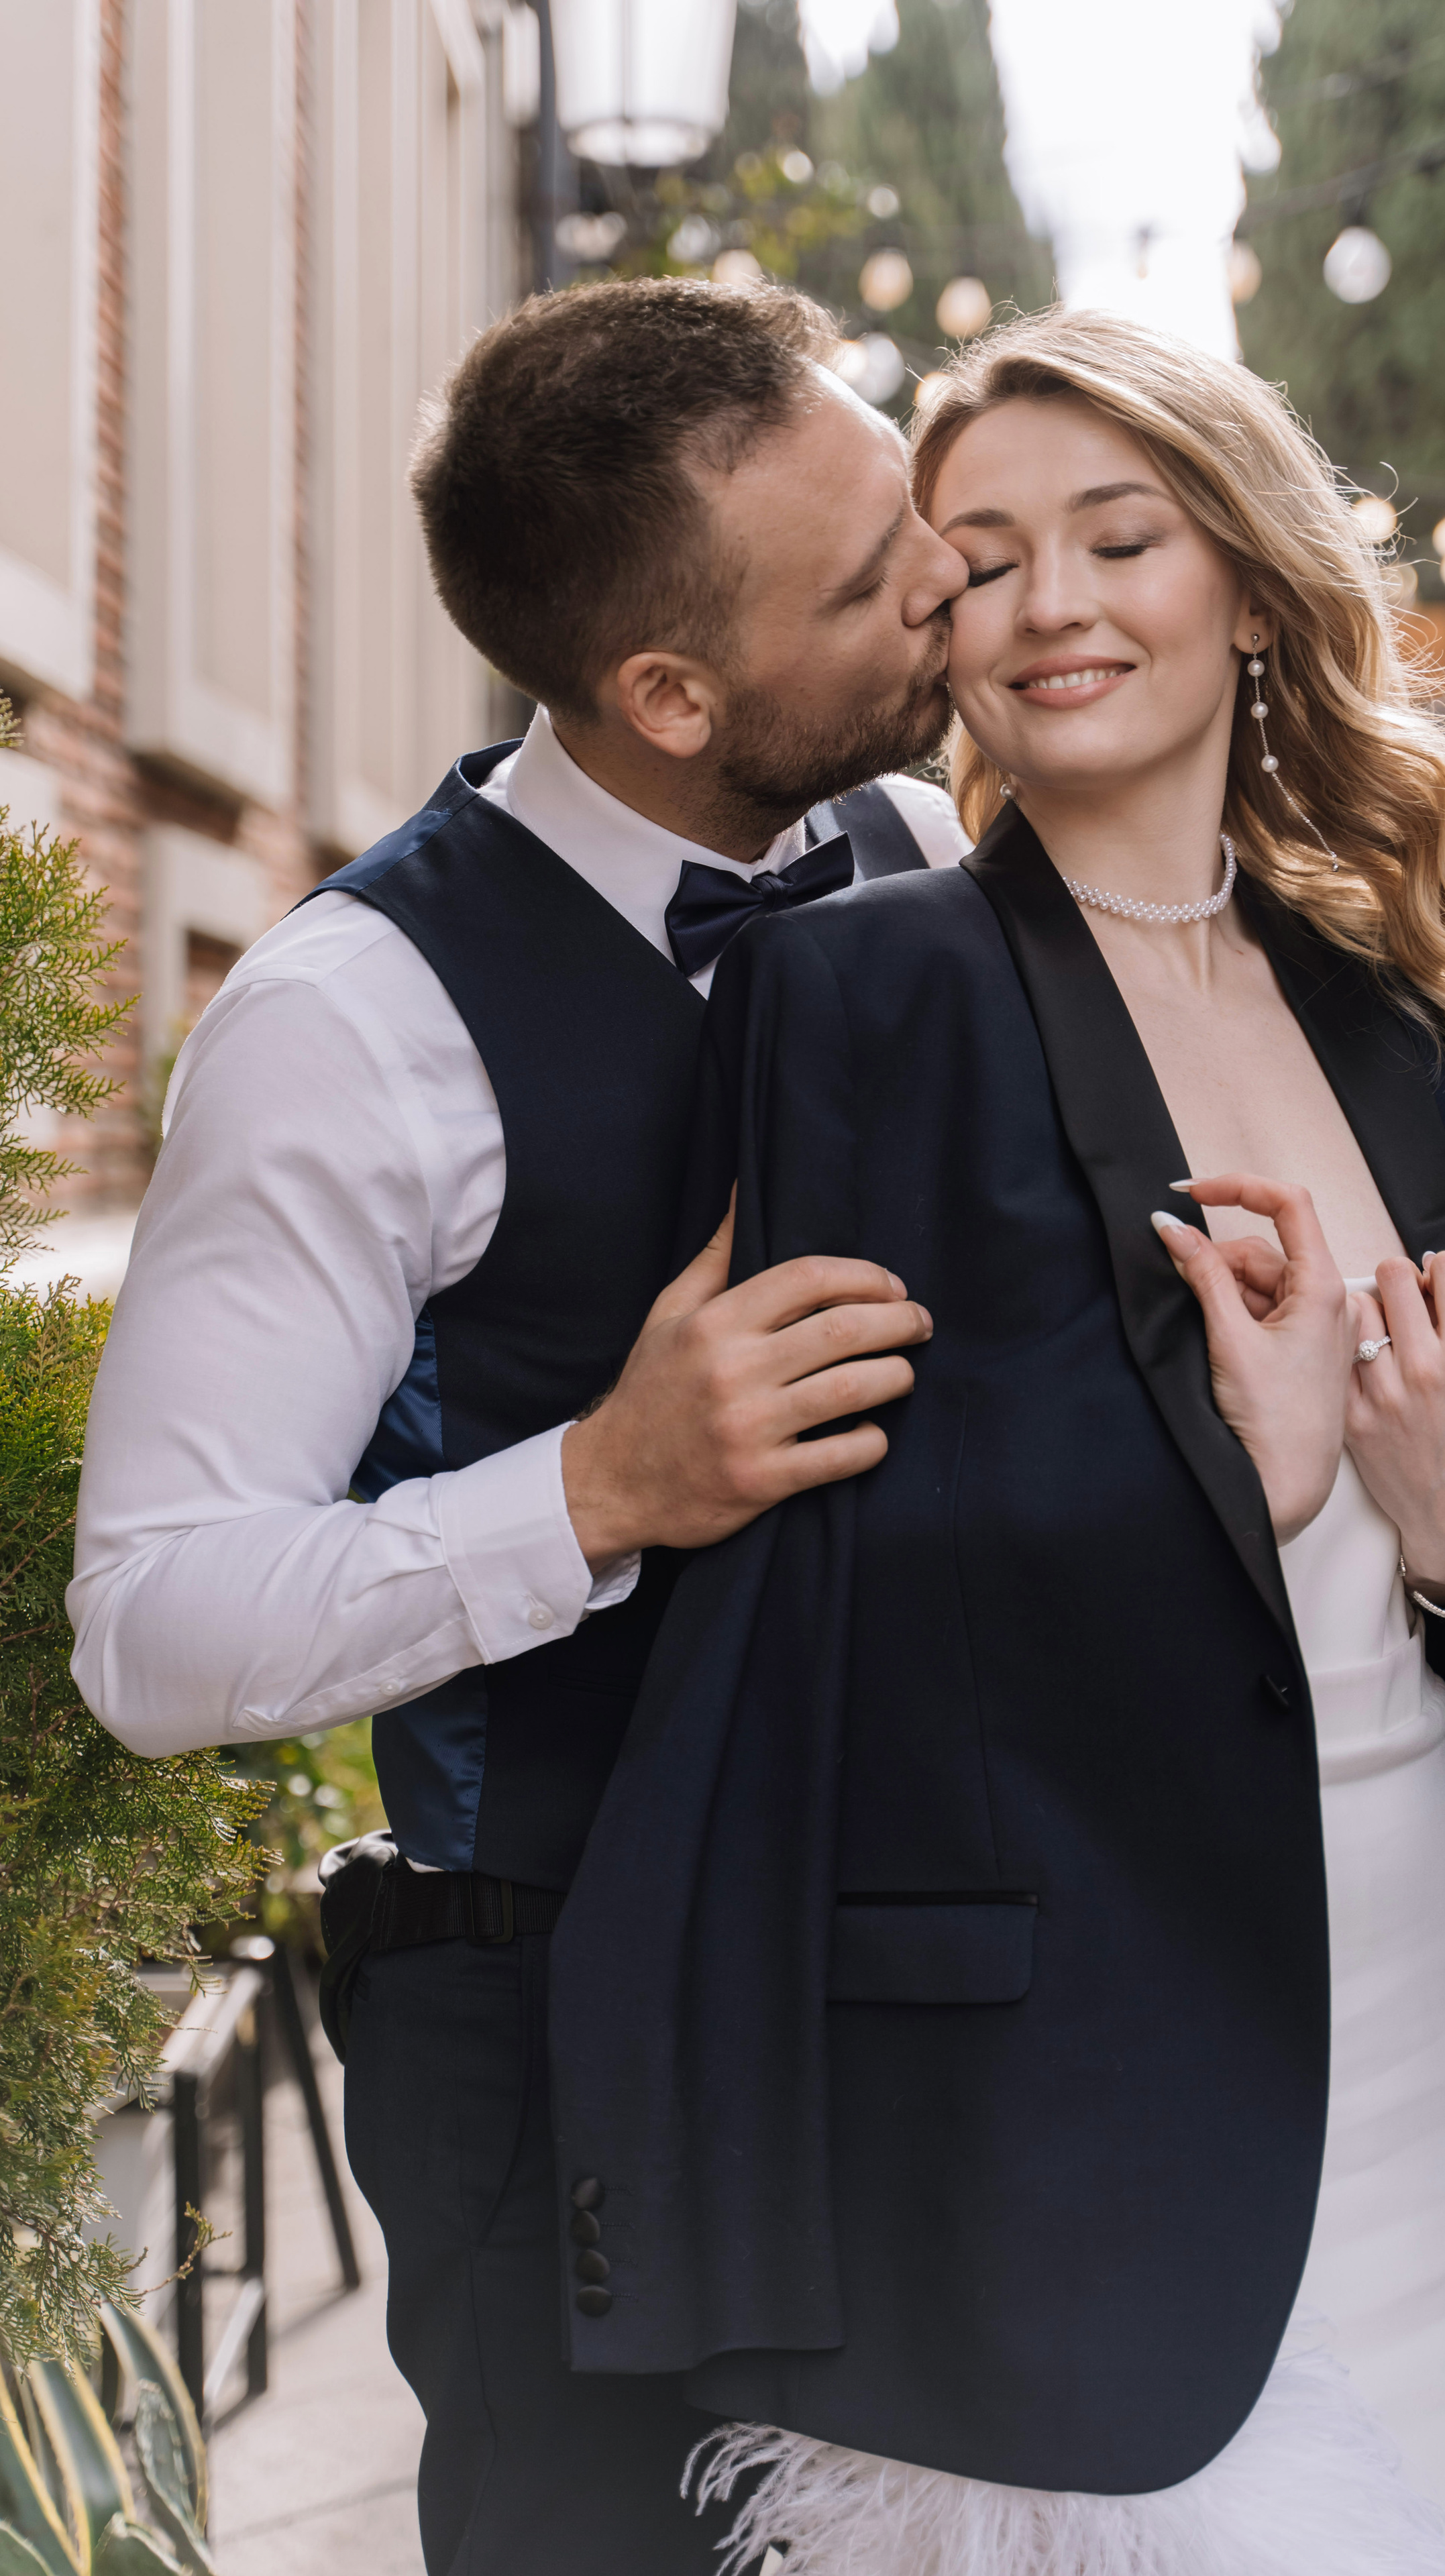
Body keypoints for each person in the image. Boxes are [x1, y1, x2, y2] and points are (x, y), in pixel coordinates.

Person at [551, 309, 1445, 2576]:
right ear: (932, 626)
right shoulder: (852, 1000)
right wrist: (1251, 1490)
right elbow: (841, 1618)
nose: (1053, 602)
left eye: (1122, 534)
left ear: (1253, 587)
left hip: (1438, 2013)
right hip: (1086, 2065)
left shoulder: (1417, 1019)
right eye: (977, 558)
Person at [68, 278, 974, 2573]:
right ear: (670, 694)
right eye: (870, 580)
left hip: (924, 2002)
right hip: (559, 2040)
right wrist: (598, 1490)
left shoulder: (928, 857)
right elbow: (153, 1630)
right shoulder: (342, 1027)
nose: (947, 583)